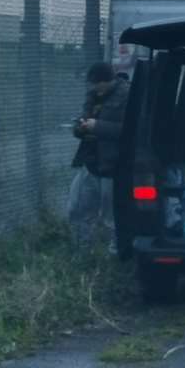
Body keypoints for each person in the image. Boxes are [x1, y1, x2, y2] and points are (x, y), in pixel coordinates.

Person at [68, 62, 128, 251]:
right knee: (76, 208)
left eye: (96, 84)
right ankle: (82, 252)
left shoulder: (127, 95)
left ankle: (116, 256)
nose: (93, 88)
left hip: (113, 166)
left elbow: (130, 131)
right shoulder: (92, 95)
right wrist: (80, 127)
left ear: (107, 81)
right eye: (91, 85)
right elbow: (83, 121)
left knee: (112, 217)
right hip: (91, 162)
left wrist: (98, 127)